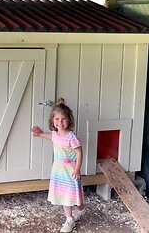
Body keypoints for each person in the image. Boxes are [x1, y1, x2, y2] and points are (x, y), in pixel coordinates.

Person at [31, 98, 86, 233]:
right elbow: (50, 136)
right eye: (57, 119)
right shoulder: (55, 134)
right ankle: (69, 219)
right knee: (64, 196)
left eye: (63, 119)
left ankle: (81, 210)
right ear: (52, 121)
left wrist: (78, 169)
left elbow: (79, 153)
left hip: (71, 171)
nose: (60, 122)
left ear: (69, 120)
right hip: (58, 171)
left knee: (75, 198)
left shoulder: (72, 137)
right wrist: (39, 134)